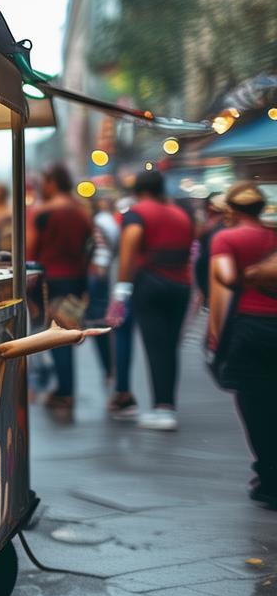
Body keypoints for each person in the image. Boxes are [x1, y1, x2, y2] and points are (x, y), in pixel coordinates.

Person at [207, 181, 277, 507]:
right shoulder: (273, 236)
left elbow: (225, 280)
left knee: (254, 404)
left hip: (248, 327)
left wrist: (215, 335)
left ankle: (269, 476)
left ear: (231, 209)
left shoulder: (225, 238)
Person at [107, 170, 194, 431]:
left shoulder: (136, 213)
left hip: (151, 283)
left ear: (138, 190)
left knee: (155, 345)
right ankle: (166, 404)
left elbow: (130, 244)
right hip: (181, 284)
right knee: (169, 346)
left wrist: (121, 289)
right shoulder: (180, 213)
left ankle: (162, 410)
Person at [27, 164, 93, 417]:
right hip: (77, 280)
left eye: (45, 181)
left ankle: (65, 392)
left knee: (57, 335)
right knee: (68, 331)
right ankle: (66, 389)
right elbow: (90, 245)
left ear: (53, 182)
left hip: (50, 281)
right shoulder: (81, 210)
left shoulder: (43, 211)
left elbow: (30, 248)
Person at [85, 196, 121, 399]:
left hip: (97, 274)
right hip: (102, 275)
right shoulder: (108, 221)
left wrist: (97, 269)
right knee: (100, 321)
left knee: (98, 322)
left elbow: (101, 251)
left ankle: (109, 370)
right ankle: (109, 370)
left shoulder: (98, 222)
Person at [194, 194, 229, 308]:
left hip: (212, 285)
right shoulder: (216, 226)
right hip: (212, 284)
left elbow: (203, 262)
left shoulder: (219, 229)